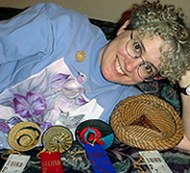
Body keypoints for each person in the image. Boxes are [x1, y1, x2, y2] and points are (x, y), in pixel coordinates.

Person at [0, 0, 189, 152]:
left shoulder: (126, 104)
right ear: (126, 27)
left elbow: (186, 143)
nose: (130, 65)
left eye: (147, 68)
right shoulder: (60, 26)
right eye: (137, 47)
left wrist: (187, 84)